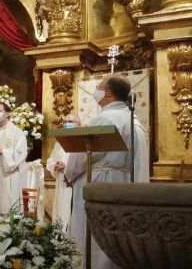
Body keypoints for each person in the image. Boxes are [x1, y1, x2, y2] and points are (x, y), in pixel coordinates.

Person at [65, 75, 149, 269]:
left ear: (108, 92)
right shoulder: (134, 121)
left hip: (100, 184)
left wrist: (70, 174)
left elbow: (83, 155)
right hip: (123, 184)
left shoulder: (105, 118)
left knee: (95, 237)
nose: (97, 90)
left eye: (99, 87)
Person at [46, 113, 80, 230]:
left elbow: (83, 163)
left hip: (75, 184)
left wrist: (67, 167)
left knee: (73, 215)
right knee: (60, 212)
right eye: (65, 122)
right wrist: (55, 165)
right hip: (61, 184)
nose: (66, 125)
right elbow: (50, 161)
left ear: (79, 125)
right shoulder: (59, 143)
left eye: (70, 122)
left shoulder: (83, 142)